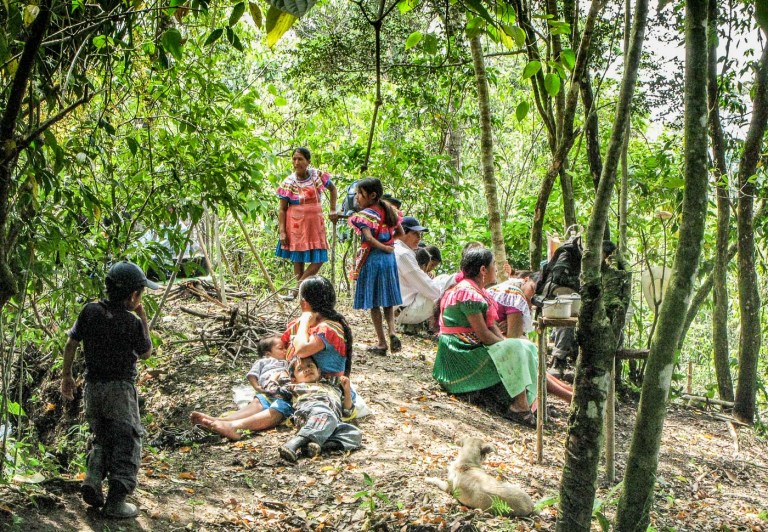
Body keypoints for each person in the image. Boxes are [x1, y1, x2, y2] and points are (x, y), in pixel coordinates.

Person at [190, 275, 353, 440]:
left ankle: (234, 427)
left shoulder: (329, 327)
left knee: (280, 406)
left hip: (324, 388)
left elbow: (301, 350)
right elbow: (287, 351)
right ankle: (222, 421)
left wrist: (305, 320)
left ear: (304, 303)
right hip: (301, 383)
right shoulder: (309, 324)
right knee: (262, 399)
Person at [60, 261, 159, 519]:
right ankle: (116, 502)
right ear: (133, 296)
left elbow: (71, 342)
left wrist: (67, 376)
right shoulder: (131, 322)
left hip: (93, 389)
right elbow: (146, 352)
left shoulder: (90, 311)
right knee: (127, 441)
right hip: (120, 391)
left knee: (102, 437)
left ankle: (92, 479)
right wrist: (143, 318)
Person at [432, 248, 539, 427]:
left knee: (526, 346)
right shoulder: (467, 293)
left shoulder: (479, 292)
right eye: (493, 265)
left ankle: (529, 402)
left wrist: (511, 344)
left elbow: (492, 329)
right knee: (516, 347)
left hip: (469, 347)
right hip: (458, 353)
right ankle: (519, 407)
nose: (496, 269)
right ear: (483, 270)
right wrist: (509, 346)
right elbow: (484, 335)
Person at [488, 271, 573, 404]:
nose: (532, 295)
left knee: (534, 359)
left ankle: (569, 392)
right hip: (493, 342)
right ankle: (568, 395)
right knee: (530, 356)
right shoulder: (514, 296)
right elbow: (514, 337)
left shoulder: (505, 289)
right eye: (532, 289)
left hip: (497, 338)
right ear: (525, 280)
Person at [348, 178, 403, 355]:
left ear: (372, 195)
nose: (357, 198)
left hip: (374, 259)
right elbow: (401, 232)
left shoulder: (366, 215)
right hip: (389, 260)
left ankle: (381, 343)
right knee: (387, 300)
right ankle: (392, 332)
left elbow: (369, 238)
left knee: (374, 303)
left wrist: (383, 246)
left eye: (360, 194)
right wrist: (389, 245)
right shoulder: (389, 211)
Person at [276, 147, 339, 298]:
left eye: (300, 159)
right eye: (294, 159)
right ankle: (301, 294)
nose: (296, 162)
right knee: (297, 258)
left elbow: (332, 189)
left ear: (308, 162)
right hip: (296, 224)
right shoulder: (288, 182)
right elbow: (282, 209)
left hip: (315, 223)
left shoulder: (316, 175)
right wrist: (282, 231)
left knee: (319, 258)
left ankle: (298, 288)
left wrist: (332, 209)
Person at [276, 357, 361, 462]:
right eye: (300, 369)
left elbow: (348, 412)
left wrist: (347, 390)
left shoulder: (333, 387)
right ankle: (294, 444)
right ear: (294, 379)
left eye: (310, 366)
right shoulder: (295, 387)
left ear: (319, 371)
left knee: (354, 433)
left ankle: (315, 446)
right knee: (325, 413)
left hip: (332, 422)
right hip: (310, 412)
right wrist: (281, 374)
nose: (307, 369)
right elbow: (279, 387)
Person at [195, 336, 290, 425]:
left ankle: (226, 423)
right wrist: (256, 386)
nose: (285, 350)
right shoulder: (263, 361)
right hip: (268, 389)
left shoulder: (287, 362)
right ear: (268, 354)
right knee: (256, 403)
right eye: (281, 348)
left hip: (284, 389)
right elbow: (252, 374)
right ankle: (223, 420)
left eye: (285, 348)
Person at [394, 217, 454, 331]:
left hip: (400, 308)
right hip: (406, 310)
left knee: (443, 279)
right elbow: (426, 287)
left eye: (419, 234)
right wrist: (443, 297)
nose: (419, 237)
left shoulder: (396, 248)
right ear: (402, 232)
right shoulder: (403, 254)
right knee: (451, 281)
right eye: (415, 233)